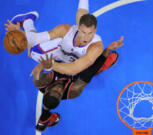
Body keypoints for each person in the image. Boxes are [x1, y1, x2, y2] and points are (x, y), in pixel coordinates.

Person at [5, 0, 124, 131]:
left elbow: (73, 67)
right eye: (59, 93)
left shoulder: (41, 81)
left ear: (47, 90)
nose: (86, 37)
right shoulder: (73, 91)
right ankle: (103, 62)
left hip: (63, 58)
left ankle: (27, 21)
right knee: (89, 72)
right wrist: (106, 51)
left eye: (90, 33)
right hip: (75, 66)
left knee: (31, 52)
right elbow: (78, 71)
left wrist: (21, 35)